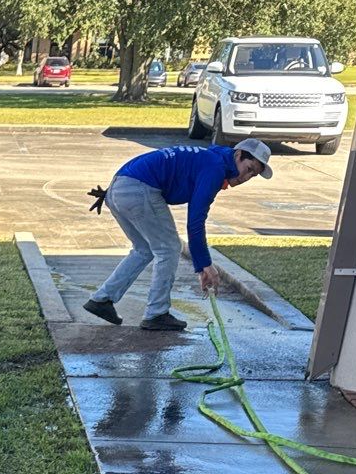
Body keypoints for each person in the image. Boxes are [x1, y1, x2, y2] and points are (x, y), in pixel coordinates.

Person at [83, 137, 272, 333]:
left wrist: (202, 266)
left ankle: (102, 299)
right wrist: (205, 265)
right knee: (169, 248)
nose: (245, 178)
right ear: (239, 155)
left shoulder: (212, 159)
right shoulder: (215, 168)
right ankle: (156, 314)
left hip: (119, 187)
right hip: (137, 188)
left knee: (144, 249)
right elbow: (196, 221)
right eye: (248, 169)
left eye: (253, 175)